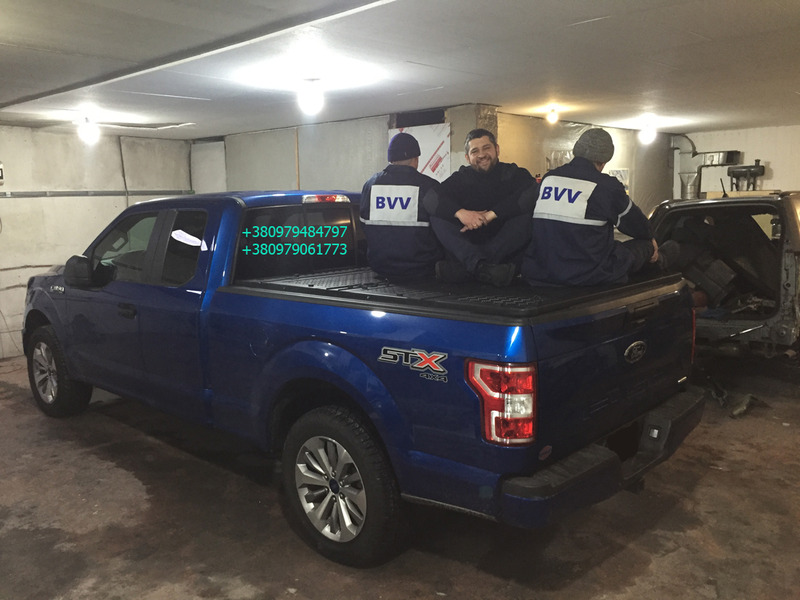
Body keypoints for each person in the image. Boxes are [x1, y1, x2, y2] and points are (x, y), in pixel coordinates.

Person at [521, 128, 660, 286]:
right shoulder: (606, 186)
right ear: (603, 161)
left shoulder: (549, 178)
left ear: (576, 151)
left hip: (541, 272)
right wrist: (650, 239)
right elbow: (637, 225)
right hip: (586, 274)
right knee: (645, 246)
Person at [428, 128, 537, 287]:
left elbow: (532, 192)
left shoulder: (514, 173)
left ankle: (471, 268)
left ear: (497, 149)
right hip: (471, 246)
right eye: (475, 151)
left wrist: (491, 215)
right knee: (437, 217)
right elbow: (431, 198)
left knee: (528, 216)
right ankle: (483, 269)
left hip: (502, 249)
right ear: (467, 157)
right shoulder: (461, 178)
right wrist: (461, 213)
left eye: (487, 148)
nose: (481, 155)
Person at [359, 132, 444, 280]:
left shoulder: (371, 184)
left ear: (391, 159)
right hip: (421, 270)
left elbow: (364, 224)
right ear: (416, 159)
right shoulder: (428, 186)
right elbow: (443, 231)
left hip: (380, 268)